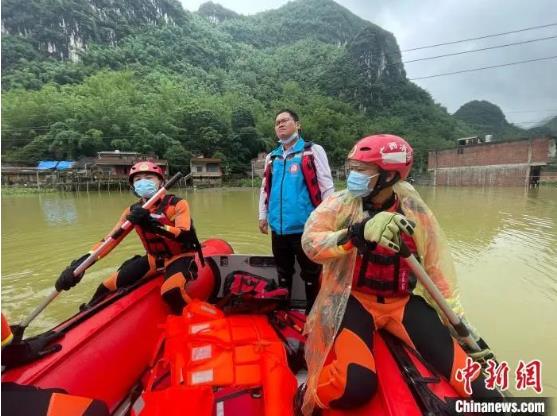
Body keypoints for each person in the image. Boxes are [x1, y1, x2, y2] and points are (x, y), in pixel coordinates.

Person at [299, 134, 501, 414]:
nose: (352, 176)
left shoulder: (415, 212)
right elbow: (310, 243)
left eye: (361, 169)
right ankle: (306, 394)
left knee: (485, 392)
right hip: (352, 299)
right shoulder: (341, 204)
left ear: (389, 175)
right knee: (355, 386)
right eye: (352, 168)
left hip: (401, 303)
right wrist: (355, 233)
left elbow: (436, 271)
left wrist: (464, 329)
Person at [55, 161, 205, 315]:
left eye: (149, 177)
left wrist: (155, 226)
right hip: (153, 259)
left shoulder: (177, 204)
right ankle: (87, 315)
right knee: (106, 286)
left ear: (161, 182)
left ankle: (192, 321)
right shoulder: (132, 212)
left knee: (170, 291)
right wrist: (80, 265)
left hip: (179, 256)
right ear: (133, 185)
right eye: (138, 179)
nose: (143, 182)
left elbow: (185, 234)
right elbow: (110, 240)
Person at [259, 109, 334, 313]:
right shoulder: (272, 158)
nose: (280, 124)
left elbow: (327, 186)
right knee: (283, 272)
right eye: (277, 123)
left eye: (285, 120)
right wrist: (263, 216)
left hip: (305, 228)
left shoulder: (312, 151)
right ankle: (284, 313)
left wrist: (327, 220)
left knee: (311, 274)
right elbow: (265, 188)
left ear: (297, 124)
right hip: (278, 228)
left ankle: (312, 315)